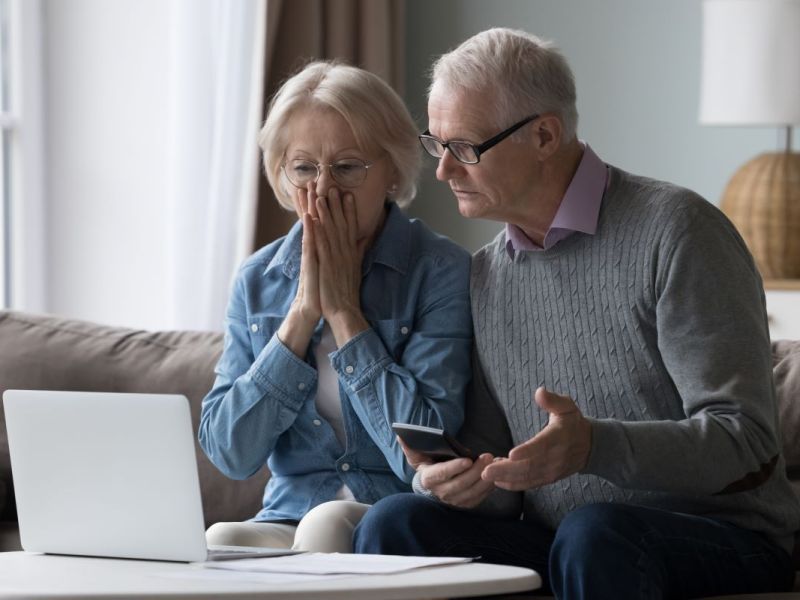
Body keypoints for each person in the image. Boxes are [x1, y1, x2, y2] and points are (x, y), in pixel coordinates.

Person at [354, 28, 800, 598]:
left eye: (464, 148)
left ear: (544, 135)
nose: (444, 171)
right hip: (571, 541)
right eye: (436, 145)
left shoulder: (678, 232)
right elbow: (506, 485)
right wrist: (461, 480)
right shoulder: (488, 275)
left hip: (722, 536)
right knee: (394, 522)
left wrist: (596, 446)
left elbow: (746, 441)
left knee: (596, 533)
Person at [198, 60, 472, 553]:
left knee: (323, 527)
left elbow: (423, 454)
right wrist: (302, 315)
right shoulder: (257, 280)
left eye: (347, 167)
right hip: (290, 509)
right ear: (282, 174)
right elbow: (229, 452)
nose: (323, 189)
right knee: (222, 540)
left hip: (391, 509)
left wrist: (347, 316)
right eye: (304, 168)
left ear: (391, 170)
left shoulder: (441, 271)